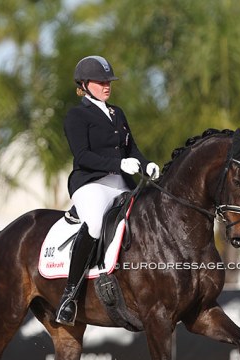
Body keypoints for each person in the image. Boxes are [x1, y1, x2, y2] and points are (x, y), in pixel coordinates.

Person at [56, 55, 160, 326]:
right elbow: (82, 156)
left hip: (121, 184)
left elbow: (132, 149)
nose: (106, 86)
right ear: (84, 84)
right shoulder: (76, 115)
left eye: (108, 81)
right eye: (101, 81)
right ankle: (70, 294)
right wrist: (118, 163)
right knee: (93, 224)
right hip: (91, 183)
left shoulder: (117, 113)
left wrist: (146, 165)